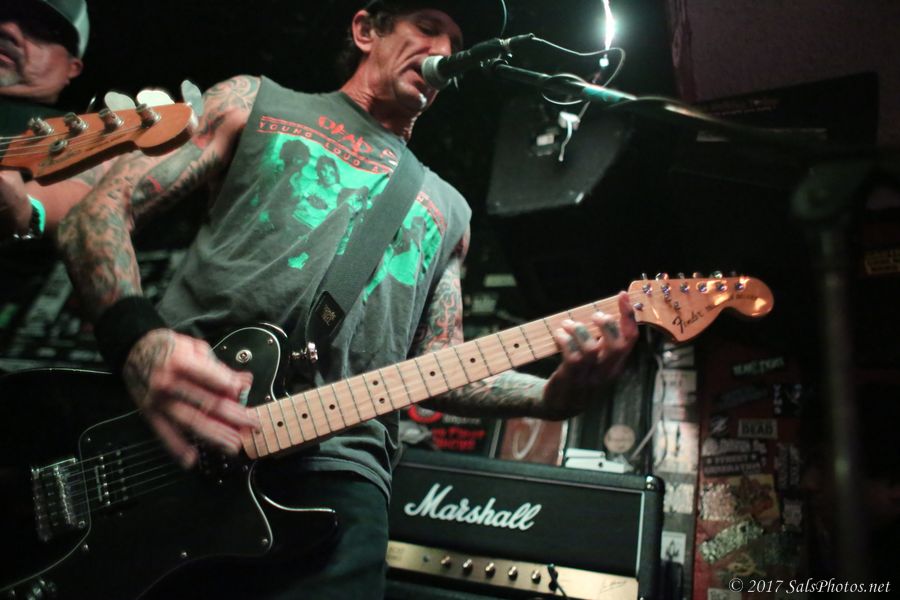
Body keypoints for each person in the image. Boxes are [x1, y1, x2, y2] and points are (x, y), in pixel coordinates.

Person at [55, 0, 639, 597]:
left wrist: (550, 398)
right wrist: (138, 341)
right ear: (365, 30)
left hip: (342, 478)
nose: (444, 51)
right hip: (178, 434)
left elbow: (443, 369)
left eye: (456, 43)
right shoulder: (253, 102)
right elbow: (97, 212)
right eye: (428, 27)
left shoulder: (449, 209)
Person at [0, 0, 98, 241]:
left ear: (72, 68)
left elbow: (86, 195)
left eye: (38, 30)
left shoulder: (76, 134)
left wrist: (29, 210)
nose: (7, 29)